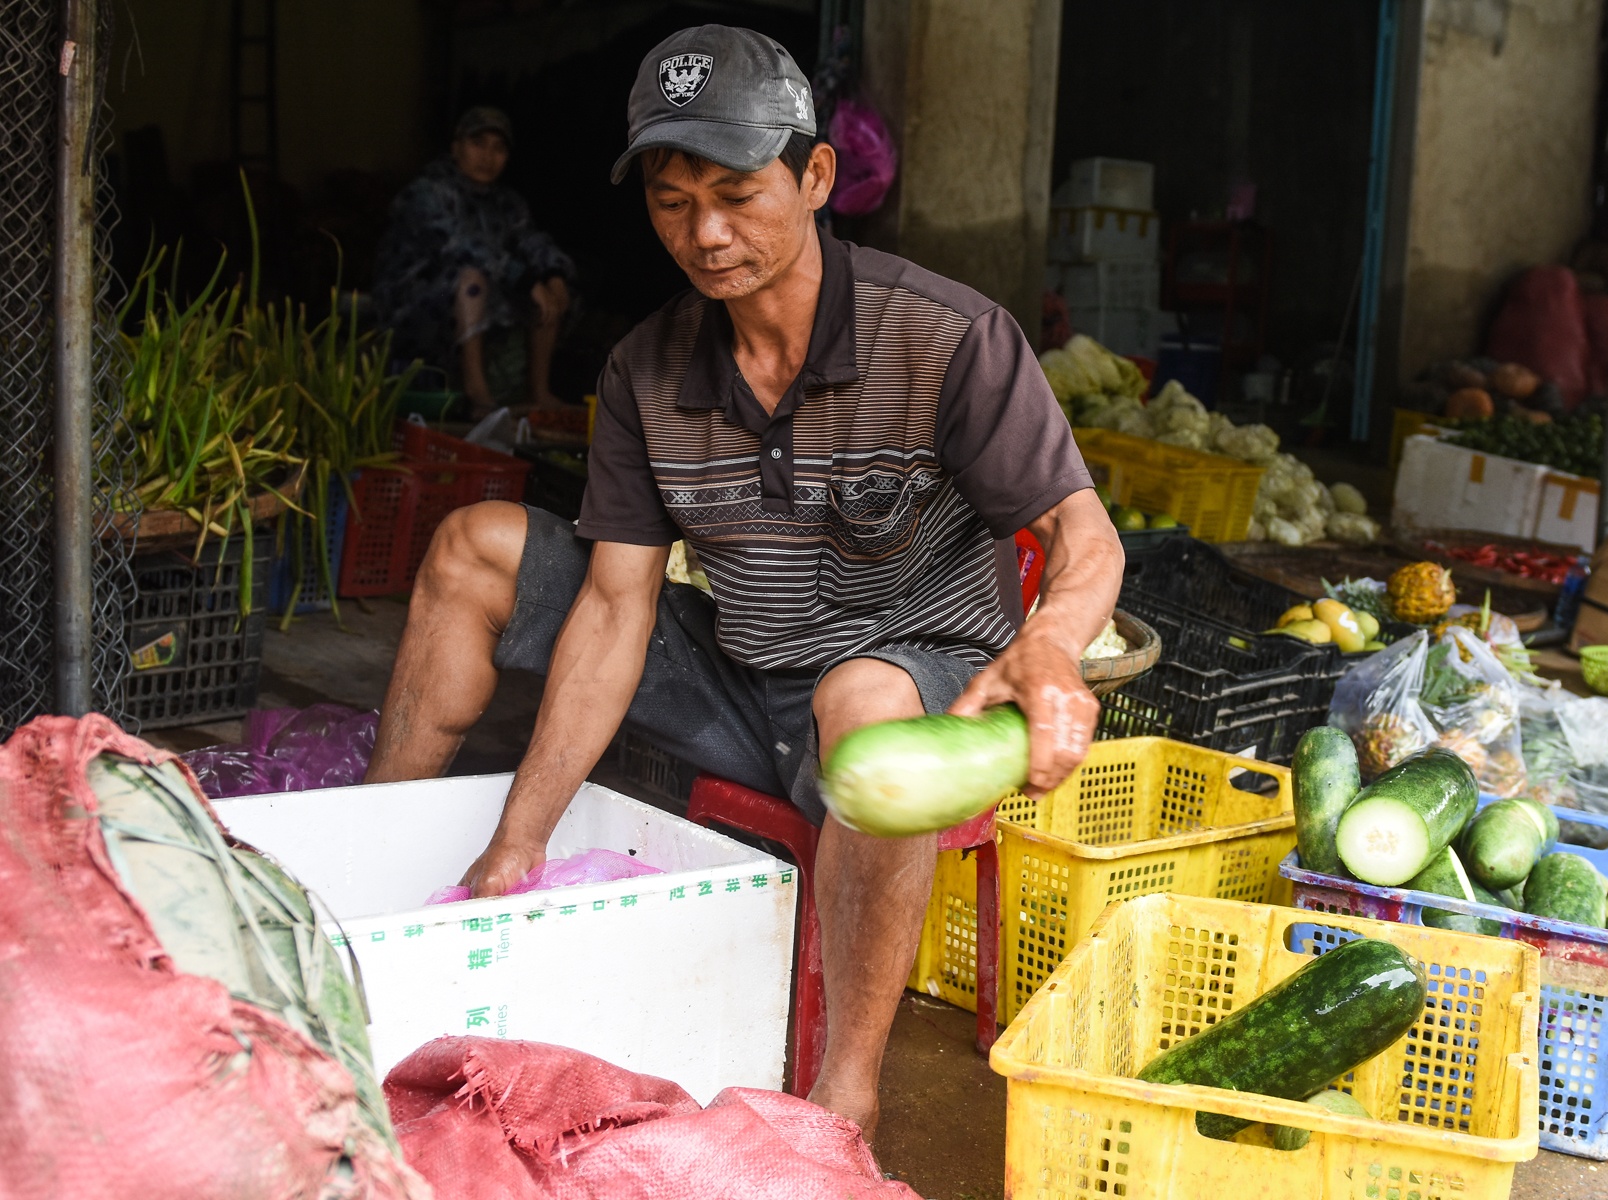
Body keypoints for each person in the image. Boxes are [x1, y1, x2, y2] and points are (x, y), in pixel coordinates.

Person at [365, 26, 1123, 1137]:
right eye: (673, 203)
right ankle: (363, 886)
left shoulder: (948, 337)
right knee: (475, 544)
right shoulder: (646, 369)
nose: (706, 234)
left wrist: (1050, 643)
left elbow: (1083, 532)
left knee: (859, 701)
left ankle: (845, 1092)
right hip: (741, 672)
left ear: (816, 178)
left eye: (736, 193)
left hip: (915, 692)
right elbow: (619, 605)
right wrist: (522, 834)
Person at [372, 106, 574, 414]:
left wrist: (553, 273)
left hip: (477, 302)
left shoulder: (504, 202)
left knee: (548, 291)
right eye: (478, 144)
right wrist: (526, 279)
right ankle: (478, 395)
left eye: (498, 148)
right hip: (414, 304)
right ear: (457, 148)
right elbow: (462, 247)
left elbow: (531, 240)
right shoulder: (427, 192)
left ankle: (539, 392)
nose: (487, 156)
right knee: (473, 281)